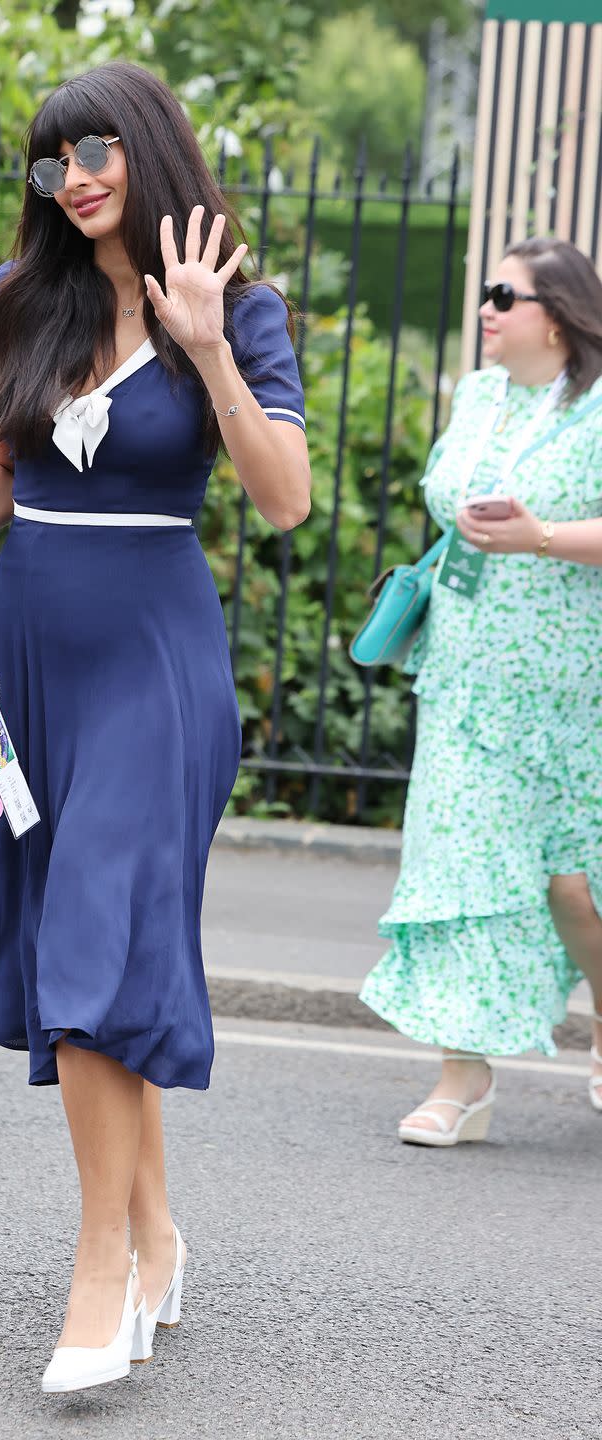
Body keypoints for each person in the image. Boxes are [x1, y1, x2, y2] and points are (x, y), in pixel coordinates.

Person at [0, 62, 310, 1392]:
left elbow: (285, 499)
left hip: (153, 670)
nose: (71, 177)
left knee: (91, 948)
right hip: (26, 662)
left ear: (141, 145)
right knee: (96, 969)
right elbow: (13, 471)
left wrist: (200, 347)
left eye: (91, 150)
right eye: (49, 160)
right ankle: (158, 1232)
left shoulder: (240, 303)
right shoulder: (20, 300)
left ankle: (101, 1275)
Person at [360, 237, 602, 1145]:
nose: (488, 308)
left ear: (561, 312)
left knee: (572, 889)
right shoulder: (477, 394)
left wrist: (541, 536)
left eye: (508, 293)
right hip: (466, 676)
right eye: (487, 291)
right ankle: (462, 1080)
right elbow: (447, 488)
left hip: (574, 685)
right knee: (462, 870)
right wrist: (463, 514)